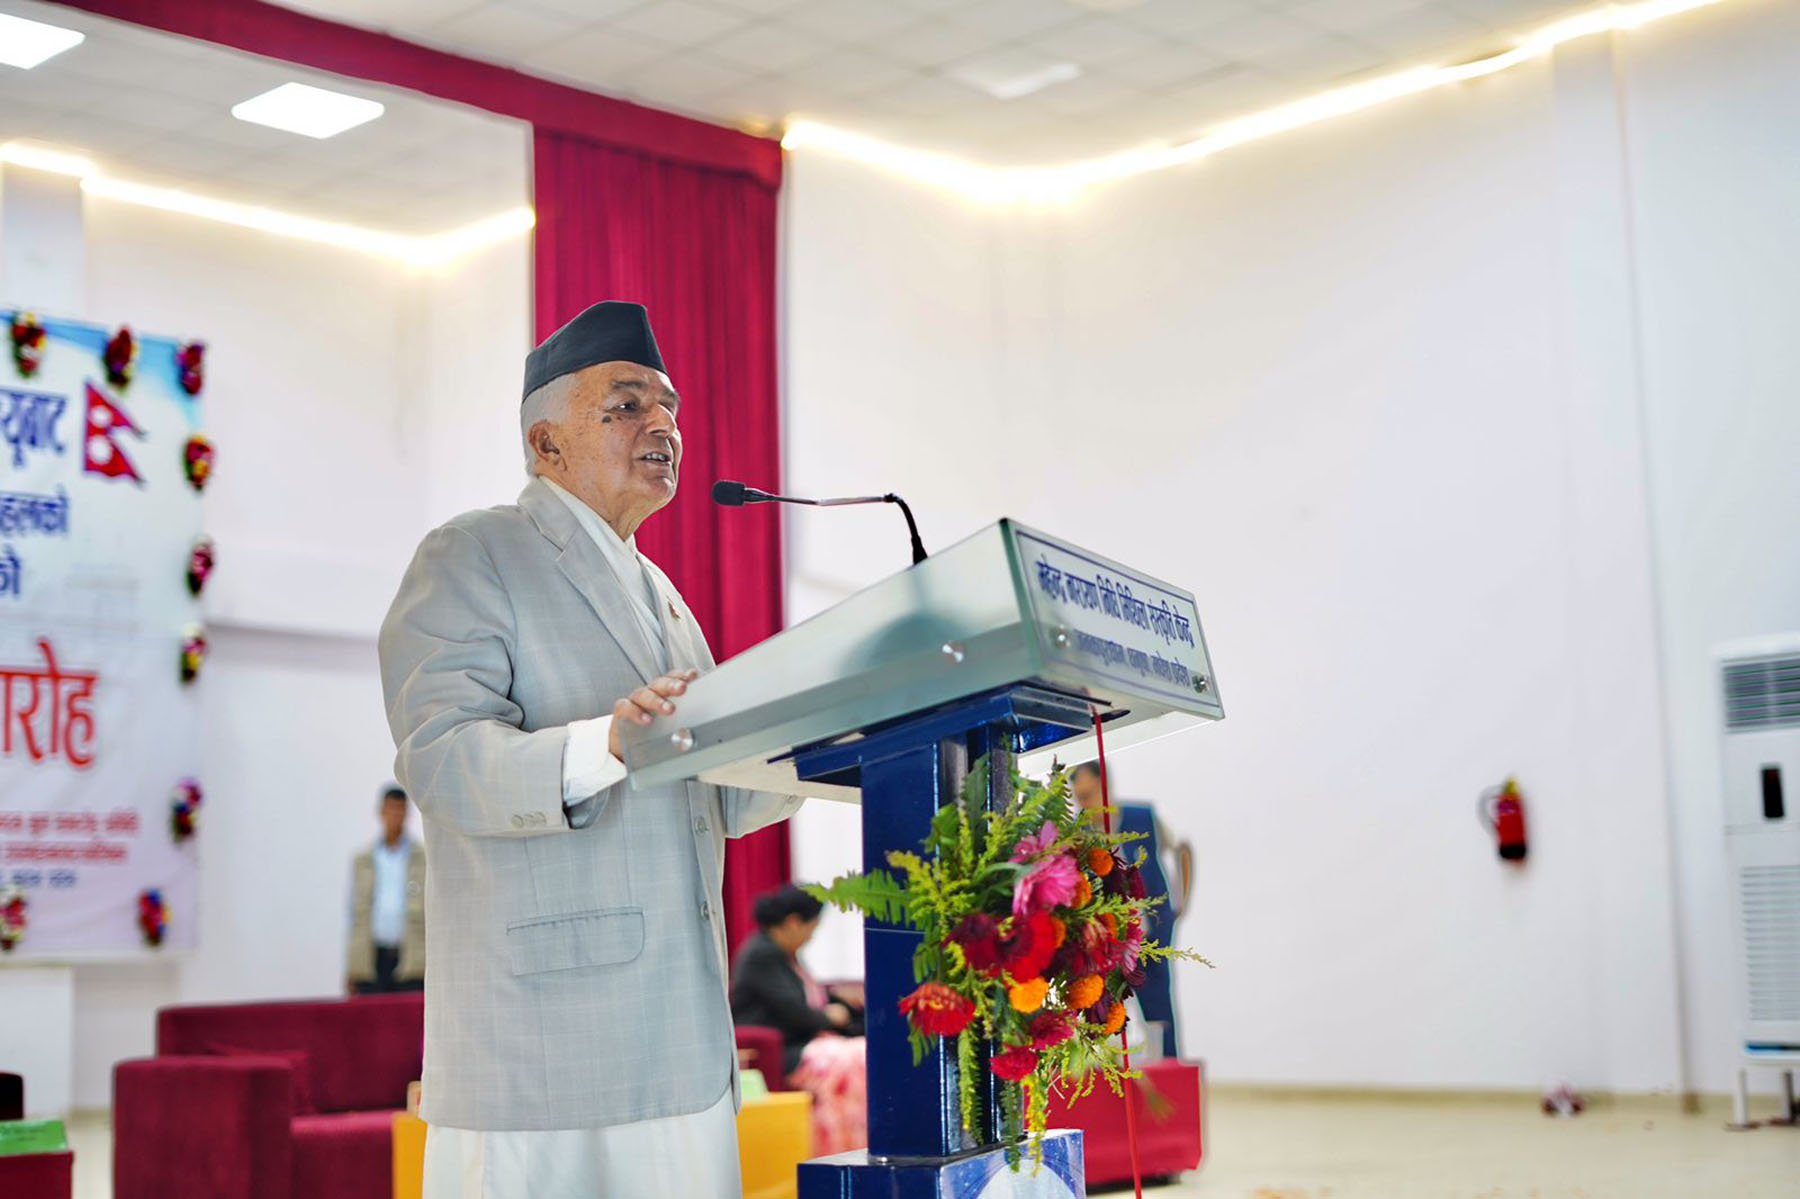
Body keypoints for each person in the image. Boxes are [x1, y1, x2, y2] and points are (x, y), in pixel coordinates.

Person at [379, 301, 806, 1199]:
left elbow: (720, 798)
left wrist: (818, 742)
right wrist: (604, 743)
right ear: (545, 443)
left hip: (682, 1039)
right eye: (626, 405)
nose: (663, 426)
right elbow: (443, 756)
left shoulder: (667, 596)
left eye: (671, 407)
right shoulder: (473, 553)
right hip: (540, 1040)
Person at [731, 885, 867, 1155]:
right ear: (794, 922)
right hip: (784, 1049)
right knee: (854, 1060)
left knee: (861, 1054)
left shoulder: (783, 954)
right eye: (812, 928)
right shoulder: (762, 954)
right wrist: (830, 1015)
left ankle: (850, 1146)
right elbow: (794, 1010)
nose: (811, 936)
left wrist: (839, 1004)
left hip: (803, 1041)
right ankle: (837, 1151)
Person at [1071, 760, 1193, 1060]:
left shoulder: (1143, 818)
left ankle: (1169, 1069)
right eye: (1079, 797)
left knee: (1159, 1006)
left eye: (1088, 795)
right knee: (1108, 1012)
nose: (1083, 803)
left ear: (1105, 785)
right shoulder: (1079, 833)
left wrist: (1180, 904)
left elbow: (1182, 848)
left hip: (1153, 933)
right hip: (1110, 941)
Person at [346, 783, 425, 994]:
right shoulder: (364, 860)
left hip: (410, 956)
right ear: (381, 812)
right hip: (373, 956)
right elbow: (355, 916)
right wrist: (352, 967)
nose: (395, 815)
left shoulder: (421, 860)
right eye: (391, 809)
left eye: (400, 810)